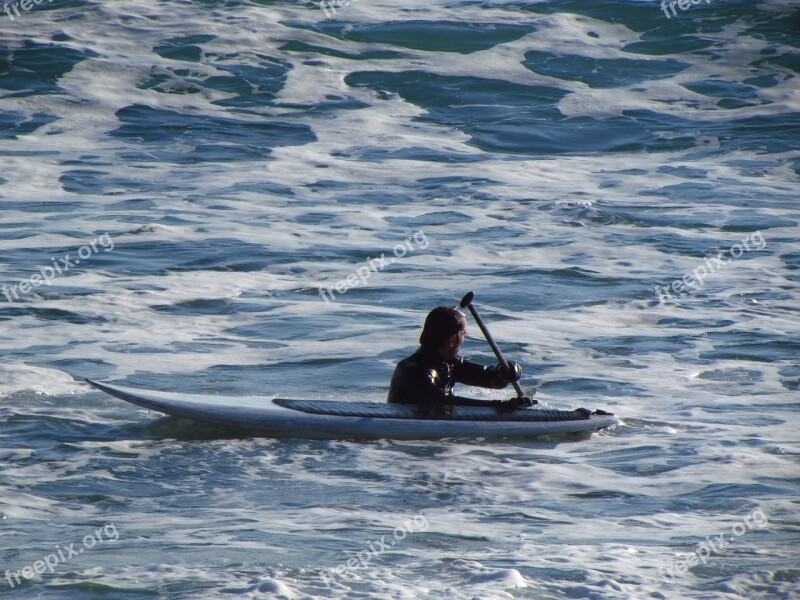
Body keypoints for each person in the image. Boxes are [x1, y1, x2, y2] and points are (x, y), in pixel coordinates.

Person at [387, 306, 535, 412]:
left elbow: (489, 378)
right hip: (408, 429)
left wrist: (507, 371)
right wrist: (501, 406)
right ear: (452, 340)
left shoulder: (450, 363)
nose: (464, 340)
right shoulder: (414, 371)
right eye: (464, 334)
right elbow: (443, 402)